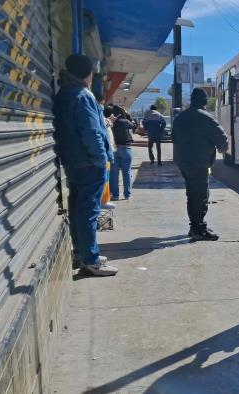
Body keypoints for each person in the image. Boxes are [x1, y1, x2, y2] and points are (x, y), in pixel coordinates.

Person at [53, 54, 118, 276]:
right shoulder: (83, 96)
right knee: (89, 211)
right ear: (88, 75)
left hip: (73, 162)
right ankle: (91, 260)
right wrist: (102, 160)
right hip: (89, 163)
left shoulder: (64, 93)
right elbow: (91, 132)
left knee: (78, 209)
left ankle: (82, 253)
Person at [172, 88, 228, 241]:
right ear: (204, 101)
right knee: (201, 195)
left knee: (192, 194)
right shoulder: (206, 118)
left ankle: (194, 226)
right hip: (200, 163)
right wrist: (222, 149)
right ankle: (199, 229)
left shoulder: (180, 117)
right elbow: (222, 139)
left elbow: (173, 137)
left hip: (183, 162)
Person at [109, 105, 137, 200]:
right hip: (126, 148)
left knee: (114, 173)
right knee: (126, 172)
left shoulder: (110, 122)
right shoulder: (125, 121)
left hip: (114, 150)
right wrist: (128, 115)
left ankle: (115, 195)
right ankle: (127, 194)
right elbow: (134, 126)